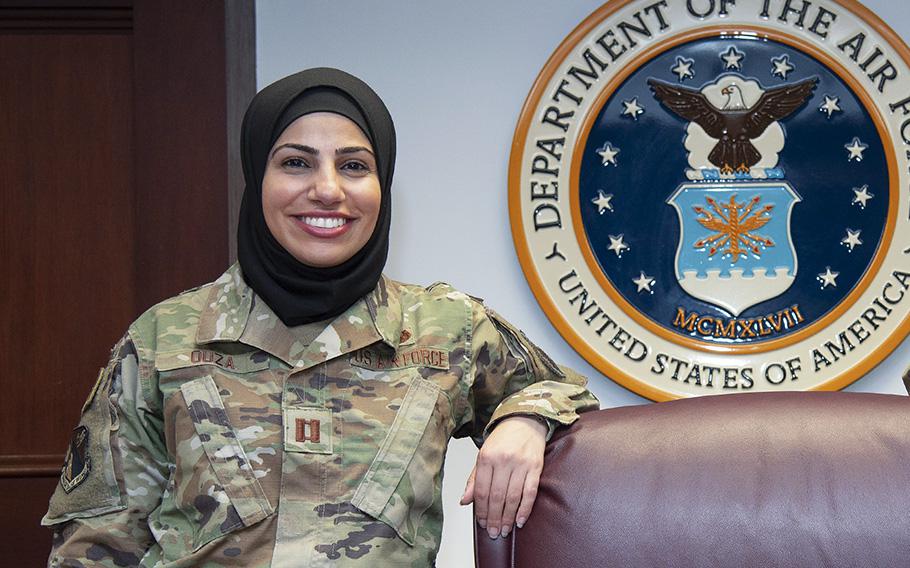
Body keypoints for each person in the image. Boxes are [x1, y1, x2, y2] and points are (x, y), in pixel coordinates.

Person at [43, 68, 598, 567]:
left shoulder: (446, 328)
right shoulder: (165, 337)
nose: (328, 190)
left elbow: (564, 391)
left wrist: (526, 419)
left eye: (354, 166)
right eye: (295, 163)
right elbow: (93, 546)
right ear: (256, 178)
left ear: (382, 188)